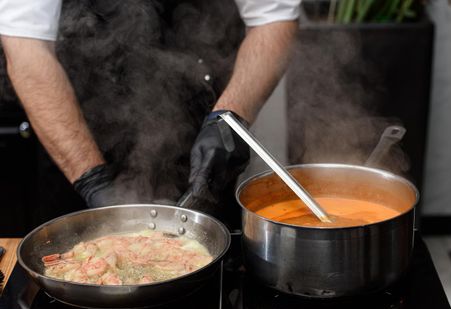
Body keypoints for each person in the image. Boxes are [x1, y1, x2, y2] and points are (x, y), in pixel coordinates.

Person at [0, 0, 300, 227]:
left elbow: (273, 18)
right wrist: (92, 180)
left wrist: (231, 117)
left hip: (200, 128)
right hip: (75, 137)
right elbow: (26, 46)